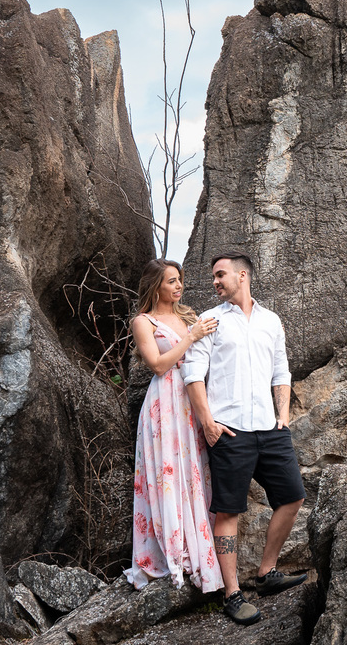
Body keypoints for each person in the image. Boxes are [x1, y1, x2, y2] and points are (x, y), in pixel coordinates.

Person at [181, 251, 308, 625]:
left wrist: (282, 416)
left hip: (270, 430)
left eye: (221, 275)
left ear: (242, 275)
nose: (215, 282)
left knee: (292, 496)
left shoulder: (271, 321)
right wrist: (208, 423)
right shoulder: (210, 320)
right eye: (214, 277)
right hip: (230, 432)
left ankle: (267, 573)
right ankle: (232, 594)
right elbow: (193, 375)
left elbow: (281, 370)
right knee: (228, 512)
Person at [123, 259, 223, 593]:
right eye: (171, 281)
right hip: (165, 403)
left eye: (179, 280)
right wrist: (191, 336)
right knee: (168, 473)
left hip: (193, 400)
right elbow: (158, 364)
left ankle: (199, 548)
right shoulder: (143, 321)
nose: (178, 286)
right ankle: (173, 552)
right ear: (156, 286)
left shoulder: (187, 315)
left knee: (195, 471)